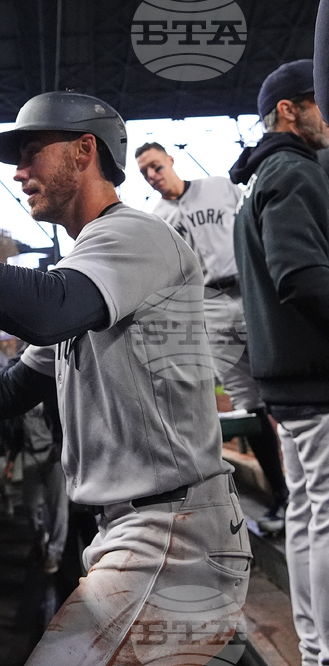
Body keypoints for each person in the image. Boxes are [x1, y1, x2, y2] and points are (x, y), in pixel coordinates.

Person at [0, 91, 251, 664]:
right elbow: (14, 388)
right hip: (143, 529)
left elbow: (43, 309)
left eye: (31, 153)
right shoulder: (87, 270)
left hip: (172, 532)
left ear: (82, 152)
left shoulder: (134, 236)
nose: (18, 173)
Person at [135, 141, 290, 534]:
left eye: (155, 165)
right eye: (145, 173)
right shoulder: (159, 219)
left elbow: (255, 223)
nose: (153, 176)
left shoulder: (220, 187)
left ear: (170, 160)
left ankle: (306, 491)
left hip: (252, 289)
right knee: (247, 403)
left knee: (286, 381)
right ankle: (283, 496)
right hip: (210, 305)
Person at [230, 59, 329, 666]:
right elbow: (302, 276)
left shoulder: (265, 176)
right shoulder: (292, 171)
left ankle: (316, 647)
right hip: (315, 379)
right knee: (324, 516)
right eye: (320, 102)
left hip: (289, 382)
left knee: (307, 516)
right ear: (288, 110)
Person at [6, 401, 68, 575]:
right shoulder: (20, 400)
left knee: (58, 505)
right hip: (30, 454)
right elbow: (17, 433)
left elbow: (65, 422)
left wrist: (61, 445)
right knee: (30, 506)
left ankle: (54, 553)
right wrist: (11, 461)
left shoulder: (50, 394)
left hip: (52, 453)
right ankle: (40, 535)